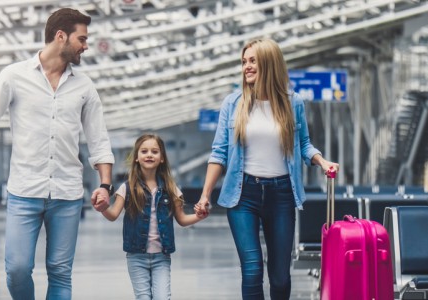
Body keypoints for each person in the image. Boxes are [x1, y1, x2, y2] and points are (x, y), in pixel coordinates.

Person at [0, 8, 115, 299]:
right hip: (24, 190)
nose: (86, 45)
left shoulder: (84, 87)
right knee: (16, 269)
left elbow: (98, 139)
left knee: (60, 271)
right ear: (60, 36)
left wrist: (104, 185)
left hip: (67, 193)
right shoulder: (14, 76)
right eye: (82, 38)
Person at [194, 39, 340, 300]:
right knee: (252, 270)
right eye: (244, 62)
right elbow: (219, 152)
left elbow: (304, 144)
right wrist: (205, 195)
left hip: (282, 194)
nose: (246, 67)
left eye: (252, 61)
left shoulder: (293, 103)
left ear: (269, 63)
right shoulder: (233, 103)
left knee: (280, 275)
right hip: (242, 195)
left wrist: (322, 161)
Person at [99, 134, 206, 300]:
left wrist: (198, 216)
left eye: (154, 151)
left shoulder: (172, 189)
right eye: (144, 151)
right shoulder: (127, 188)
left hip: (162, 258)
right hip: (136, 257)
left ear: (162, 158)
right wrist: (103, 208)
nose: (149, 154)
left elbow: (182, 219)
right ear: (136, 158)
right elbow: (113, 215)